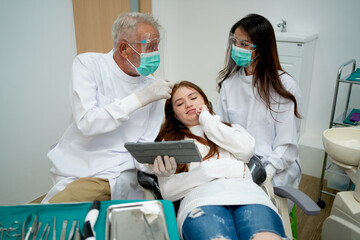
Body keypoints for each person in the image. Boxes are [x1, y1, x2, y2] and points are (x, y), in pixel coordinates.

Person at [41, 12, 173, 203]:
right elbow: (87, 123)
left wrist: (155, 165)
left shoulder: (153, 88)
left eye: (157, 46)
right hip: (73, 162)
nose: (156, 53)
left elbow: (142, 146)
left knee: (59, 212)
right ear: (124, 48)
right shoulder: (88, 65)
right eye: (150, 47)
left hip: (112, 171)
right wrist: (140, 98)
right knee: (55, 215)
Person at [150, 81, 287, 240]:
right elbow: (168, 192)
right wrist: (216, 170)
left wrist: (208, 120)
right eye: (180, 103)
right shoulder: (170, 142)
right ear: (174, 114)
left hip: (249, 196)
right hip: (201, 202)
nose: (188, 104)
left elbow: (246, 151)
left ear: (205, 101)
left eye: (193, 97)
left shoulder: (230, 129)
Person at [216, 14, 302, 191]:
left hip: (276, 168)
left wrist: (266, 173)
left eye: (244, 44)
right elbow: (222, 131)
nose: (237, 48)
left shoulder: (284, 87)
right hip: (238, 165)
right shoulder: (229, 84)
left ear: (261, 48)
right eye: (235, 42)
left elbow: (286, 145)